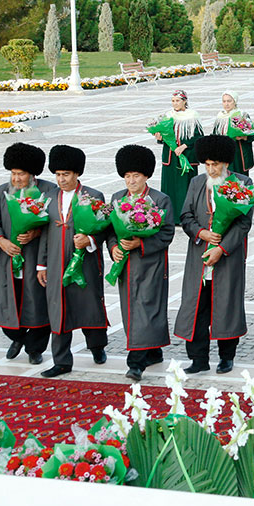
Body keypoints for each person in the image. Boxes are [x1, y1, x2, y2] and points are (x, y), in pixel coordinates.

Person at [174, 135, 253, 375]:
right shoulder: (197, 183)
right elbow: (186, 215)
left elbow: (243, 223)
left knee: (226, 305)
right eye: (207, 164)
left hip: (227, 257)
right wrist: (201, 233)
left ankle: (226, 356)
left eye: (215, 164)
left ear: (226, 163)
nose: (211, 169)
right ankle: (198, 358)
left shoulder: (243, 182)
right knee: (196, 306)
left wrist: (221, 248)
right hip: (199, 255)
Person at [35, 145, 109, 378]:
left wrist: (90, 239)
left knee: (89, 305)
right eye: (58, 175)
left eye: (66, 174)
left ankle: (97, 346)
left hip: (84, 263)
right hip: (56, 264)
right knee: (57, 309)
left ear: (77, 173)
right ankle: (62, 361)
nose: (61, 179)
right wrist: (41, 265)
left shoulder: (93, 196)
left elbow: (104, 228)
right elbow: (45, 232)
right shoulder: (48, 197)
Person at [108, 145, 176, 381]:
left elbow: (167, 233)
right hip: (126, 265)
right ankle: (153, 350)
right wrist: (114, 248)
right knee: (131, 309)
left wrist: (141, 243)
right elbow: (110, 231)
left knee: (147, 308)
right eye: (127, 176)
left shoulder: (160, 199)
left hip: (151, 264)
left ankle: (135, 362)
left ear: (146, 175)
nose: (131, 181)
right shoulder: (117, 198)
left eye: (136, 176)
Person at [0, 142, 53, 366]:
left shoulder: (48, 191)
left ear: (32, 174)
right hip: (9, 259)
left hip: (36, 259)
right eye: (13, 173)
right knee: (8, 305)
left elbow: (54, 225)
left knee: (38, 305)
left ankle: (35, 349)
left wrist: (35, 232)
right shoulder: (2, 191)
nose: (16, 179)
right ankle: (17, 337)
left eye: (21, 174)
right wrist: (1, 241)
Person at [152, 89, 202, 224]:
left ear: (185, 101)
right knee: (170, 187)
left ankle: (186, 216)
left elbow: (198, 136)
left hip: (186, 157)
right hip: (170, 157)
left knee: (185, 187)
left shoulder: (192, 116)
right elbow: (165, 137)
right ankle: (170, 217)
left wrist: (184, 146)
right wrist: (159, 137)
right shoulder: (168, 117)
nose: (175, 103)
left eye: (178, 101)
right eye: (173, 101)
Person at [211, 89, 254, 176]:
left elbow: (253, 134)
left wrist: (243, 137)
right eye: (224, 101)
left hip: (238, 154)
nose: (226, 104)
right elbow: (215, 135)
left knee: (239, 177)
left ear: (235, 101)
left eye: (229, 101)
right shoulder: (220, 117)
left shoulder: (242, 115)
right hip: (224, 153)